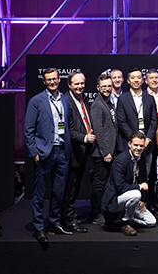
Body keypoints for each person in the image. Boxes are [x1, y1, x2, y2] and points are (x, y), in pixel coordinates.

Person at [24, 68, 73, 243]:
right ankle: (38, 227)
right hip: (44, 152)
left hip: (62, 152)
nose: (52, 82)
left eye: (54, 79)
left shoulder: (65, 100)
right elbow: (28, 130)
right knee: (39, 193)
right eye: (48, 80)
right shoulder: (36, 101)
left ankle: (54, 222)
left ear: (59, 79)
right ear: (44, 82)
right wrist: (34, 152)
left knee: (58, 192)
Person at [101, 131, 156, 236]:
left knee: (151, 221)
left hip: (132, 199)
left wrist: (142, 200)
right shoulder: (120, 161)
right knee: (136, 193)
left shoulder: (142, 156)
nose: (138, 148)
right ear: (129, 144)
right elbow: (121, 187)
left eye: (141, 146)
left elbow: (143, 178)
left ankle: (121, 221)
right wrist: (140, 187)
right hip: (115, 199)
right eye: (136, 145)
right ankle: (126, 222)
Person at [61, 71, 93, 233]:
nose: (80, 86)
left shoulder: (83, 98)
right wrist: (85, 138)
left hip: (82, 152)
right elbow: (68, 129)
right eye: (76, 84)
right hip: (72, 152)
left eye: (82, 83)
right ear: (69, 84)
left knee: (75, 186)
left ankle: (69, 216)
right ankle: (69, 221)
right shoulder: (65, 101)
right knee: (70, 188)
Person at [116, 68, 158, 181]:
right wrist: (135, 140)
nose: (136, 80)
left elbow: (154, 121)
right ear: (128, 81)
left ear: (143, 80)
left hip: (147, 145)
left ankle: (143, 199)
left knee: (146, 176)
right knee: (129, 176)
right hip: (129, 144)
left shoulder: (149, 99)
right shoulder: (122, 99)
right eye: (133, 78)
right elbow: (121, 122)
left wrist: (148, 139)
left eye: (139, 78)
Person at [89, 74, 118, 227]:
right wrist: (105, 151)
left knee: (103, 183)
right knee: (98, 184)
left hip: (109, 152)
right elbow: (98, 131)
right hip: (102, 154)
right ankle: (95, 214)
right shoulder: (97, 105)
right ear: (98, 88)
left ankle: (102, 210)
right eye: (104, 86)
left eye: (109, 86)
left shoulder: (109, 102)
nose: (107, 89)